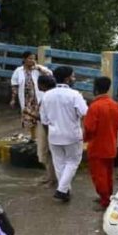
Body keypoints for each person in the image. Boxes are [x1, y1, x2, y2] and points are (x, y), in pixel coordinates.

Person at [38, 66, 88, 203]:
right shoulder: (74, 95)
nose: (74, 79)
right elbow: (85, 114)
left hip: (54, 135)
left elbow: (44, 120)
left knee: (59, 164)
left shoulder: (47, 95)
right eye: (73, 76)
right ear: (67, 78)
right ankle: (62, 190)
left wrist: (51, 132)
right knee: (72, 162)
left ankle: (65, 190)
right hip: (72, 134)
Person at [84, 76, 118, 210]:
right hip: (111, 144)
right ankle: (107, 196)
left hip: (97, 146)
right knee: (108, 174)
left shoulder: (95, 107)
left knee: (99, 175)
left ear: (95, 88)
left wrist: (85, 139)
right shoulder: (115, 105)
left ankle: (105, 200)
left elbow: (89, 128)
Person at [10, 52, 51, 136]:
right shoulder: (18, 71)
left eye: (34, 59)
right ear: (24, 59)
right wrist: (13, 99)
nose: (32, 60)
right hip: (26, 100)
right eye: (30, 58)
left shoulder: (38, 69)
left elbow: (49, 74)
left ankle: (42, 136)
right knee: (29, 119)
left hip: (38, 98)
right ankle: (33, 137)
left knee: (41, 117)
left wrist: (37, 67)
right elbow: (14, 85)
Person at [34, 74, 58, 187]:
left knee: (47, 153)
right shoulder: (54, 95)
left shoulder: (46, 98)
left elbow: (44, 118)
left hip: (47, 128)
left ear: (42, 85)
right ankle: (50, 177)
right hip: (54, 127)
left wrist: (30, 114)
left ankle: (51, 179)